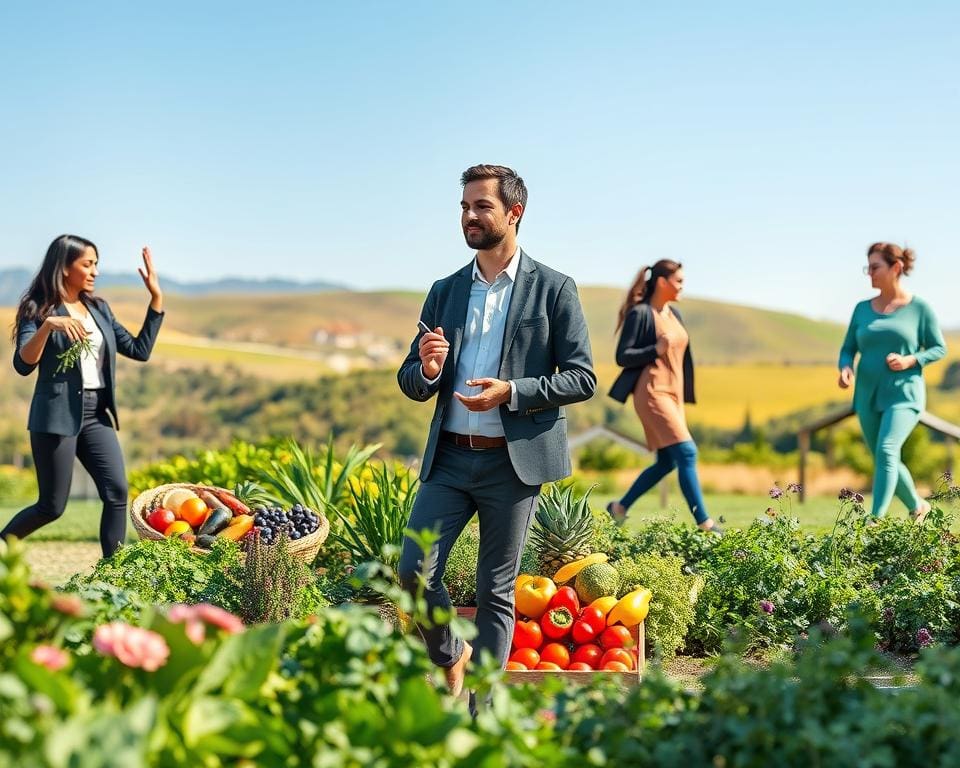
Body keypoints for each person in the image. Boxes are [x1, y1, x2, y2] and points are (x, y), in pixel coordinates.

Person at [397, 164, 596, 696]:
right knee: (413, 572)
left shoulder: (554, 289)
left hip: (513, 463)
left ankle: (483, 718)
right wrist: (430, 370)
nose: (469, 216)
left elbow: (582, 378)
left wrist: (512, 391)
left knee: (496, 591)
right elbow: (411, 380)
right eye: (464, 206)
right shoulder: (444, 291)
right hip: (450, 461)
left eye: (481, 206)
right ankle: (450, 653)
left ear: (514, 213)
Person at [2, 235, 164, 557]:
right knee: (51, 507)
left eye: (96, 264)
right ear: (64, 268)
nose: (95, 272)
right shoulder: (37, 309)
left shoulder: (99, 308)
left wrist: (156, 299)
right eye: (88, 264)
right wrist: (49, 326)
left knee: (117, 492)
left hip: (95, 413)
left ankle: (114, 576)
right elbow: (23, 363)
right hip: (55, 415)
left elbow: (139, 349)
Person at [606, 260, 721, 533]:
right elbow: (623, 356)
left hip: (674, 394)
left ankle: (619, 509)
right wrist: (655, 349)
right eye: (678, 281)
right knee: (687, 452)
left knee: (668, 461)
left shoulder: (674, 315)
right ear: (662, 282)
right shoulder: (641, 314)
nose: (682, 286)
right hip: (652, 392)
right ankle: (705, 524)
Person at [838, 242, 946, 522]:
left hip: (904, 394)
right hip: (866, 395)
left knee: (887, 450)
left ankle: (874, 519)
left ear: (896, 267)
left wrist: (912, 360)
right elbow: (848, 348)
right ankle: (918, 506)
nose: (869, 273)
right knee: (884, 458)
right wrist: (845, 368)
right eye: (868, 267)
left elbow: (938, 348)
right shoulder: (862, 309)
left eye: (875, 267)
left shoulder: (919, 308)